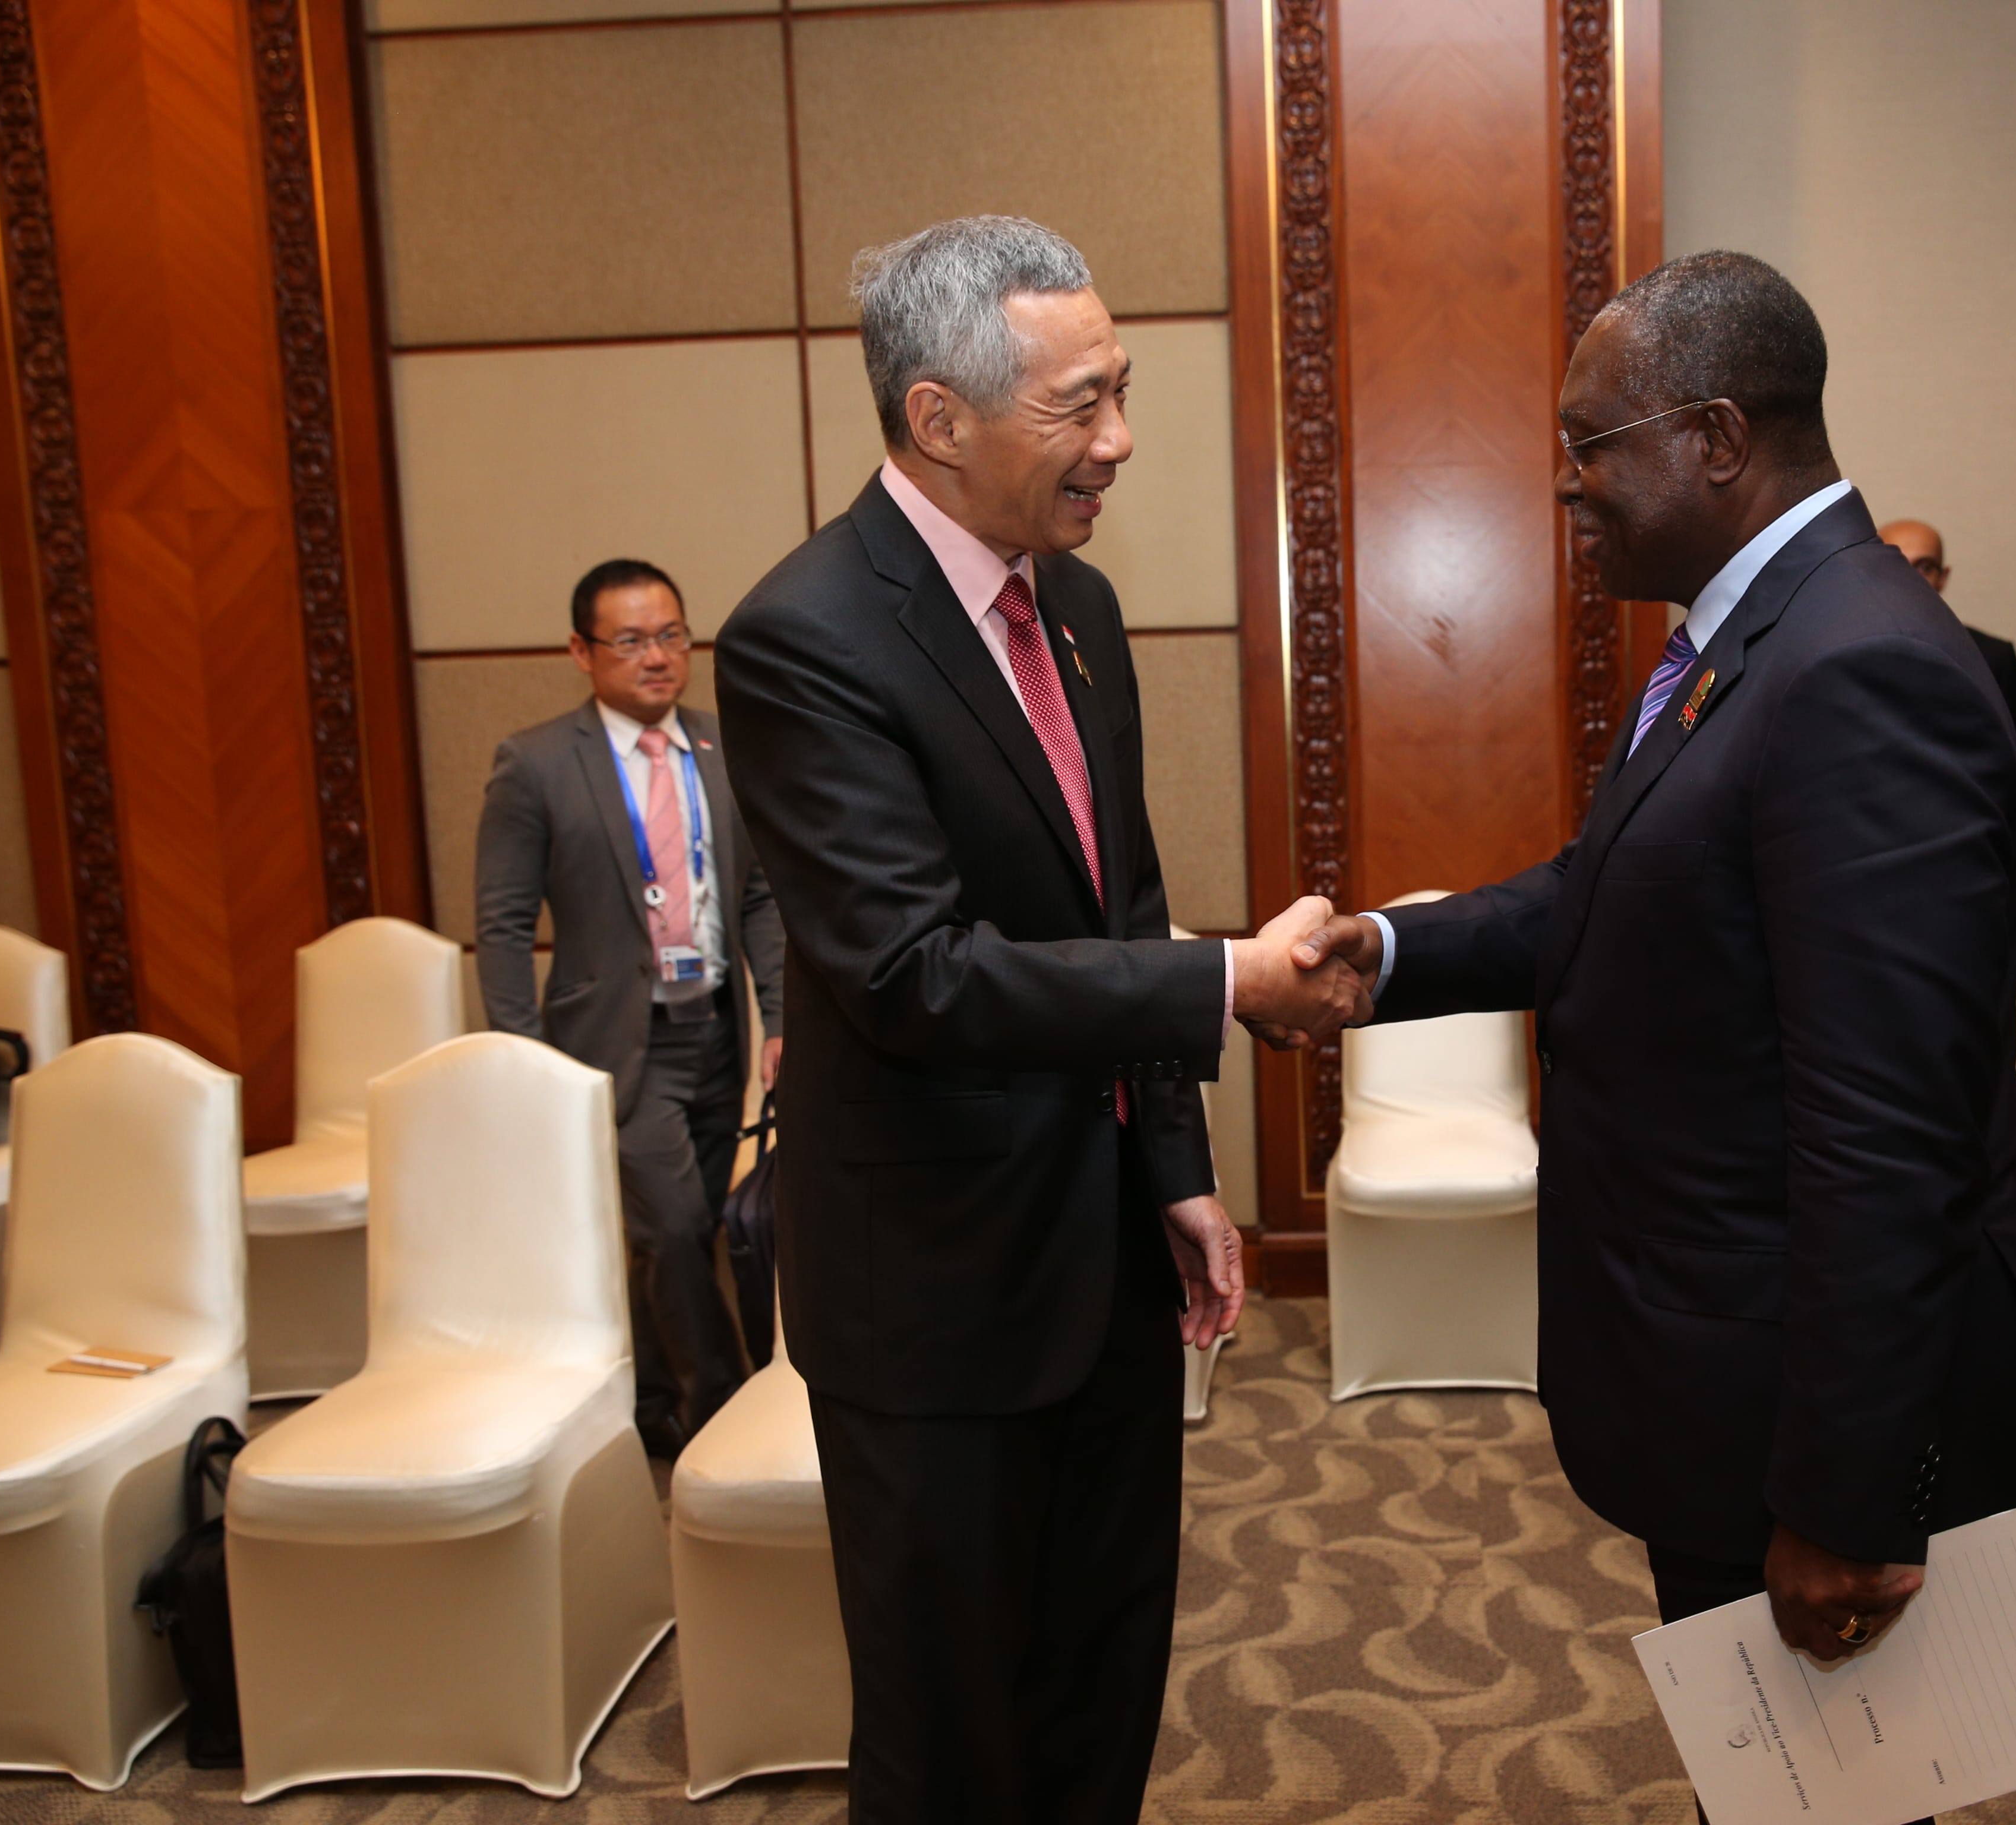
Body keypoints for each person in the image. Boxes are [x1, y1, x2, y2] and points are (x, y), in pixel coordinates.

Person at [1278, 252, 2016, 1683]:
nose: (1566, 484)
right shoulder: (1753, 642)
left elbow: (1888, 1128)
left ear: (1716, 439)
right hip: (1730, 1373)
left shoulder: (1858, 671)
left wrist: (1847, 1491)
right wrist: (1381, 953)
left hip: (1798, 1408)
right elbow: (1621, 897)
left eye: (1590, 445)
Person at [710, 216, 1367, 1825]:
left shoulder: (1077, 611)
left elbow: (1117, 906)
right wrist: (1232, 984)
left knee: (1096, 1688)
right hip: (933, 1299)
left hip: (1104, 1265)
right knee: (951, 1733)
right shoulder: (805, 639)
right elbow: (914, 974)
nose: (1119, 443)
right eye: (1082, 406)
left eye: (1120, 394)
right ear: (940, 419)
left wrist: (1180, 1174)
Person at [475, 558, 784, 1458]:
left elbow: (762, 897)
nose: (657, 657)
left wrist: (782, 1017)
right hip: (614, 1043)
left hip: (716, 1030)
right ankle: (721, 1417)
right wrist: (524, 1061)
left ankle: (653, 1400)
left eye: (671, 636)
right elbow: (500, 925)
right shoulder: (533, 765)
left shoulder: (726, 750)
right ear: (583, 651)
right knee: (681, 1226)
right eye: (631, 640)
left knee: (669, 1237)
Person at [1878, 517, 2016, 768]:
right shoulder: (1839, 653)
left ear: (1943, 577)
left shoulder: (1992, 657)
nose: (1909, 579)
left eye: (1924, 567)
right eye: (1895, 565)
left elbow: (2014, 763)